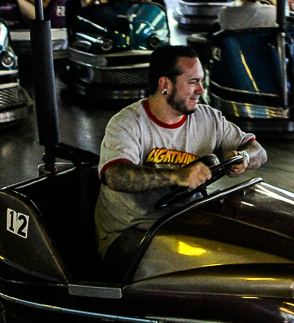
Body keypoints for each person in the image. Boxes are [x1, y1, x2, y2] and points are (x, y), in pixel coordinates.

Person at [94, 45, 267, 279]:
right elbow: (115, 176)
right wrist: (177, 176)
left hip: (185, 221)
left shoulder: (208, 118)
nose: (200, 90)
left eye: (201, 81)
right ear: (165, 84)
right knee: (202, 273)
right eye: (193, 82)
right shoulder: (127, 123)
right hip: (132, 232)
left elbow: (257, 149)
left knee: (250, 252)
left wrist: (243, 157)